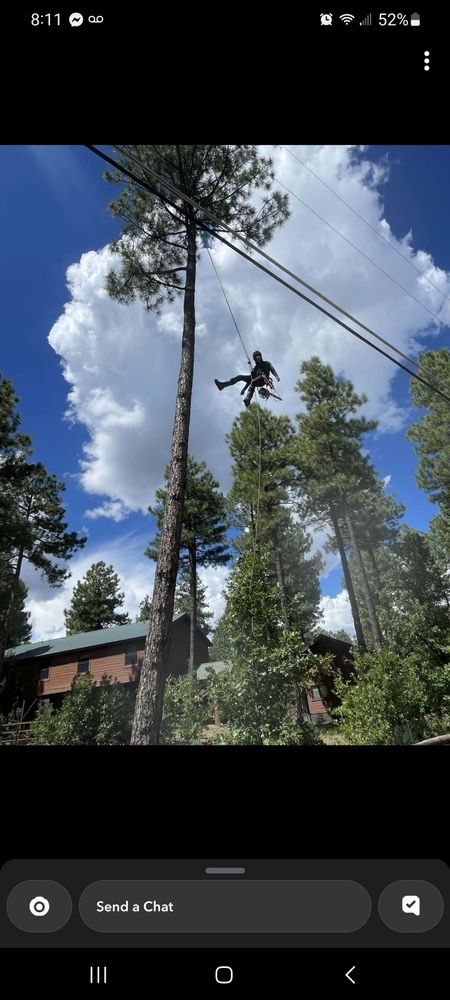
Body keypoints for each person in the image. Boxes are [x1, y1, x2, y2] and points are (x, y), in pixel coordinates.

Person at [214, 351, 280, 406]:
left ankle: (248, 399)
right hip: (256, 379)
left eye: (258, 356)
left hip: (263, 380)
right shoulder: (255, 369)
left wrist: (276, 376)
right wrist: (244, 389)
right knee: (240, 377)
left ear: (261, 356)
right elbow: (250, 381)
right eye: (256, 357)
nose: (257, 357)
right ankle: (223, 385)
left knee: (253, 382)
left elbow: (272, 370)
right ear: (255, 360)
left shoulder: (266, 363)